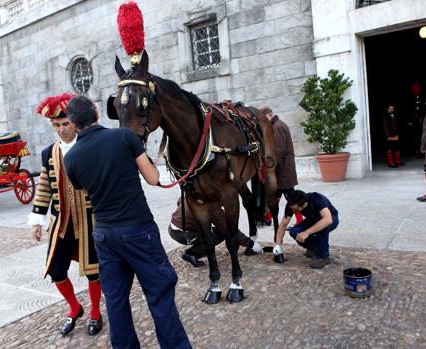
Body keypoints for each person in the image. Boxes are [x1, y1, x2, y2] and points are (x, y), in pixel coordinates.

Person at [64, 96, 191, 349]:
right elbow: (154, 178)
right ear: (97, 113)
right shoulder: (124, 137)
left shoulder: (71, 158)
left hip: (104, 235)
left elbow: (87, 192)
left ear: (73, 124)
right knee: (159, 294)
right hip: (137, 230)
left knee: (115, 300)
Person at [27, 93, 103, 336]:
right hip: (62, 222)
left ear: (75, 123)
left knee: (93, 270)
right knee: (56, 270)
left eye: (65, 124)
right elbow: (45, 185)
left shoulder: (90, 145)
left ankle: (95, 312)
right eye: (56, 125)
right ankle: (74, 307)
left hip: (90, 220)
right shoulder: (49, 152)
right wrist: (37, 219)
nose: (61, 129)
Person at [169, 197, 263, 267]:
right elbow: (229, 229)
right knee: (220, 234)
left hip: (172, 227)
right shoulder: (213, 207)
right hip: (183, 234)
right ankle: (192, 253)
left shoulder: (198, 192)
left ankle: (196, 245)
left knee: (211, 230)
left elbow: (179, 200)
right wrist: (251, 244)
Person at [273, 190, 339, 269]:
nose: (293, 211)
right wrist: (277, 245)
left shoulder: (316, 199)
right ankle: (315, 248)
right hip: (313, 218)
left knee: (322, 227)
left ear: (305, 204)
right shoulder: (291, 204)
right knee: (294, 231)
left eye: (296, 209)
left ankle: (323, 256)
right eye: (292, 209)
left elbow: (328, 220)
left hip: (331, 217)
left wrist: (307, 232)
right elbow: (283, 225)